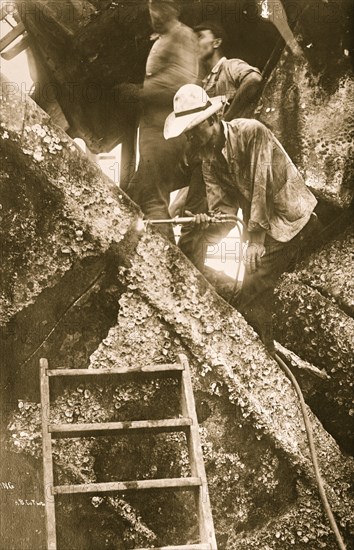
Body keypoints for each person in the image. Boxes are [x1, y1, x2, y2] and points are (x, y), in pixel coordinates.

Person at [164, 84, 318, 354]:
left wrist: (256, 240)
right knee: (248, 282)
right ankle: (261, 349)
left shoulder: (251, 131)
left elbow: (262, 185)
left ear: (213, 119)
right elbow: (224, 215)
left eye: (194, 130)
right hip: (263, 228)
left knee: (254, 283)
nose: (191, 140)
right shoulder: (210, 161)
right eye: (187, 135)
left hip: (289, 218)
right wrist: (205, 222)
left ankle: (261, 355)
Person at [173, 21, 263, 270]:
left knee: (202, 226)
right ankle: (188, 274)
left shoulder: (229, 66)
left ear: (217, 42)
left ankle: (184, 277)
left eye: (200, 36)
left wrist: (227, 119)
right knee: (193, 222)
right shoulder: (202, 85)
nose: (195, 42)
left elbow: (254, 80)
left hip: (231, 157)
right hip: (207, 163)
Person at [125, 0, 198, 242]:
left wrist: (139, 93)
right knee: (136, 194)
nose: (154, 14)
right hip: (152, 131)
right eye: (151, 8)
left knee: (153, 199)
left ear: (174, 8)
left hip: (166, 131)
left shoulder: (183, 35)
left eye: (160, 8)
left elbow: (181, 84)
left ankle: (171, 262)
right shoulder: (161, 39)